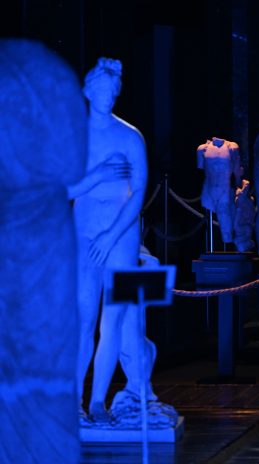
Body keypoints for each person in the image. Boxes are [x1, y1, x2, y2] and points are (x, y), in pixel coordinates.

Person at [0, 39, 86, 463]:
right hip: (38, 230)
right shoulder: (41, 71)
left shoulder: (38, 73)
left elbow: (71, 162)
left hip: (41, 235)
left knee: (44, 367)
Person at [69, 57, 148, 422]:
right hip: (85, 233)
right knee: (84, 318)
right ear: (88, 91)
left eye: (113, 90)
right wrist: (97, 176)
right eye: (102, 89)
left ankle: (98, 401)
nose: (108, 96)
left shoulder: (130, 136)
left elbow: (138, 191)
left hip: (121, 236)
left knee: (112, 320)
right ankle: (74, 402)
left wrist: (111, 234)